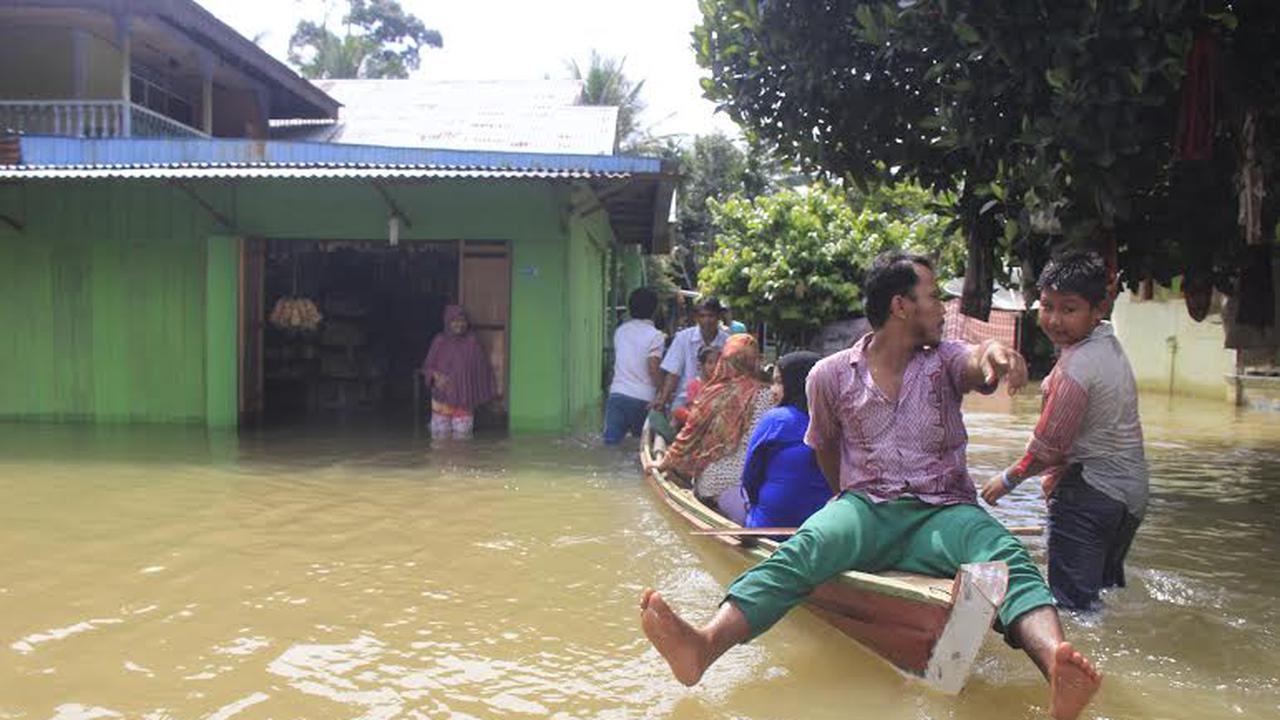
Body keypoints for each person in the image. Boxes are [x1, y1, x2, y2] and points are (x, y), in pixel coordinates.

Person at [639, 252, 1102, 720]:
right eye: (932, 296)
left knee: (1007, 557)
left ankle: (1056, 667)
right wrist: (847, 507)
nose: (943, 307)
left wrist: (997, 357)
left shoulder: (945, 360)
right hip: (867, 505)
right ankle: (703, 646)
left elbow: (977, 362)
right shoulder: (830, 375)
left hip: (944, 510)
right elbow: (824, 446)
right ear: (901, 306)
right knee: (800, 553)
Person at [982, 250, 1148, 611]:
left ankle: (1086, 661)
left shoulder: (1076, 368)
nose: (1055, 320)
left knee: (1072, 605)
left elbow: (1050, 449)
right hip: (1130, 496)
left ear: (1097, 310)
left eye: (1068, 309)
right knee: (1101, 597)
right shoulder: (1108, 344)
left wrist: (1007, 480)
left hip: (1090, 494)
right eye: (1047, 306)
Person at [646, 334, 775, 524]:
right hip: (757, 481)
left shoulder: (714, 393)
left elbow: (689, 436)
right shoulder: (768, 393)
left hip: (714, 483)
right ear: (755, 360)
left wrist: (664, 463)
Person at [741, 351, 831, 531]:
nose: (773, 390)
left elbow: (749, 477)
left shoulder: (776, 420)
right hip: (822, 530)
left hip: (770, 526)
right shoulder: (837, 421)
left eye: (779, 383)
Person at [422, 305, 496, 440]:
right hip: (442, 398)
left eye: (462, 321)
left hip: (464, 399)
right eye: (455, 321)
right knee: (439, 442)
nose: (459, 324)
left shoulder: (472, 343)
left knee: (463, 442)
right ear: (448, 322)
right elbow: (427, 366)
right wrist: (435, 375)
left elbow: (481, 370)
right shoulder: (440, 341)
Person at [604, 288, 666, 445]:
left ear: (630, 308)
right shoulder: (656, 336)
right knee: (642, 446)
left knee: (611, 445)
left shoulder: (620, 331)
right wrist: (662, 393)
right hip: (643, 399)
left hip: (617, 395)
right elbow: (653, 367)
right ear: (654, 310)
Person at [653, 297, 730, 411]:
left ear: (718, 317)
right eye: (702, 316)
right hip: (685, 399)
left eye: (711, 316)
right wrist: (662, 399)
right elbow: (673, 373)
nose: (707, 320)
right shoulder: (683, 338)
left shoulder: (728, 341)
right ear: (696, 318)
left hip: (717, 399)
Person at [671, 345, 720, 428]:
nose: (714, 367)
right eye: (710, 363)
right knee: (678, 411)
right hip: (697, 418)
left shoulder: (719, 385)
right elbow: (692, 406)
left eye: (717, 363)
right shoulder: (694, 384)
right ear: (700, 366)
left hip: (714, 420)